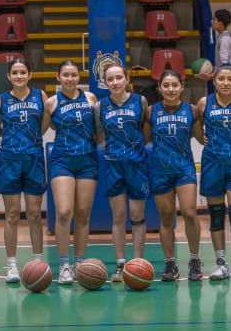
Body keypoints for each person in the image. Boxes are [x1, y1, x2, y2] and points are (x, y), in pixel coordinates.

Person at [144, 71, 204, 282]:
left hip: (184, 169)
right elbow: (144, 139)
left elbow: (201, 138)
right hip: (160, 169)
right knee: (167, 218)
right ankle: (170, 263)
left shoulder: (192, 110)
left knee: (189, 213)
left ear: (182, 87)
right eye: (166, 85)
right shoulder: (151, 111)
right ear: (160, 87)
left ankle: (194, 260)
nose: (170, 89)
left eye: (175, 85)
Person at [0, 58, 50, 283]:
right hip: (9, 160)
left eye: (23, 72)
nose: (19, 76)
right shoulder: (1, 100)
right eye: (15, 72)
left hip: (33, 158)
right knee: (12, 214)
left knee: (35, 214)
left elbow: (43, 125)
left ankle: (38, 261)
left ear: (30, 75)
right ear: (8, 76)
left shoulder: (40, 96)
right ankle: (11, 265)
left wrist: (32, 139)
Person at [44, 60, 99, 285]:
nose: (69, 79)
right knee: (64, 212)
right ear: (58, 77)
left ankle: (79, 263)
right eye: (65, 75)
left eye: (74, 75)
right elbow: (42, 129)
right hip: (62, 160)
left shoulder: (91, 98)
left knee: (83, 214)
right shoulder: (51, 103)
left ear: (79, 77)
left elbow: (99, 128)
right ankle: (64, 265)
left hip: (88, 160)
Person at [94, 63, 149, 282]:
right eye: (110, 79)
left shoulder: (140, 101)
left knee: (137, 216)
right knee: (118, 216)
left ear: (127, 79)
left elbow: (145, 131)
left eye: (119, 77)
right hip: (113, 165)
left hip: (137, 164)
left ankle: (138, 263)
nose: (115, 82)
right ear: (105, 83)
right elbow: (99, 135)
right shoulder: (100, 106)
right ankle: (120, 264)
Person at [196, 65, 231, 282]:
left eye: (230, 79)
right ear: (214, 81)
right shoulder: (204, 102)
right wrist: (201, 137)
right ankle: (220, 263)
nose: (225, 83)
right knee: (216, 216)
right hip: (212, 163)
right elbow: (198, 128)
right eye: (221, 79)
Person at [196, 9, 231, 81]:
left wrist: (211, 76)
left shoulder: (225, 39)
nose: (211, 21)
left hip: (226, 80)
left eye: (214, 20)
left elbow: (224, 64)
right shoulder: (221, 37)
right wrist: (212, 72)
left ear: (220, 24)